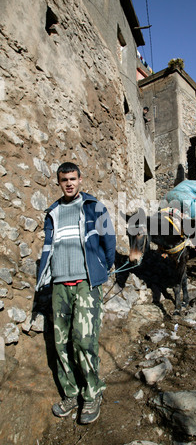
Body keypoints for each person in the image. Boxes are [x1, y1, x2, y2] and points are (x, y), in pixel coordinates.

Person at [36, 162, 116, 424]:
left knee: (84, 341)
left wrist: (101, 267)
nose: (69, 183)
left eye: (73, 178)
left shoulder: (95, 207)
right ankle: (71, 394)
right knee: (60, 344)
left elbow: (109, 241)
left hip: (85, 284)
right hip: (59, 286)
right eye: (64, 180)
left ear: (80, 180)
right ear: (58, 182)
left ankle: (92, 393)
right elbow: (49, 246)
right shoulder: (53, 212)